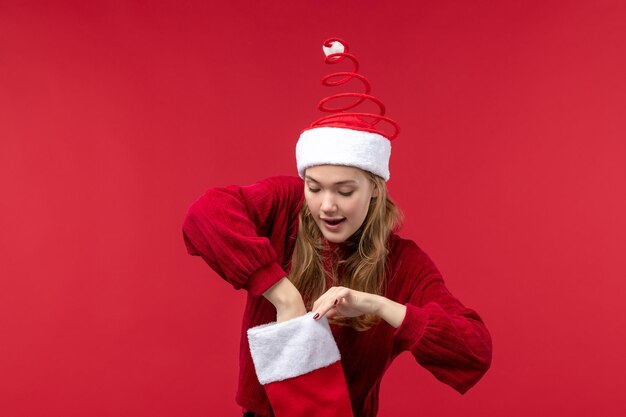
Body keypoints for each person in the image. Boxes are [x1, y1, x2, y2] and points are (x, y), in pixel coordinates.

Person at [182, 38, 492, 417]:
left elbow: (474, 349)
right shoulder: (285, 205)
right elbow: (205, 214)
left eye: (344, 191)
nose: (326, 206)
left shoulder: (405, 265)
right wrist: (282, 294)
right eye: (314, 188)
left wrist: (377, 304)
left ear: (375, 189)